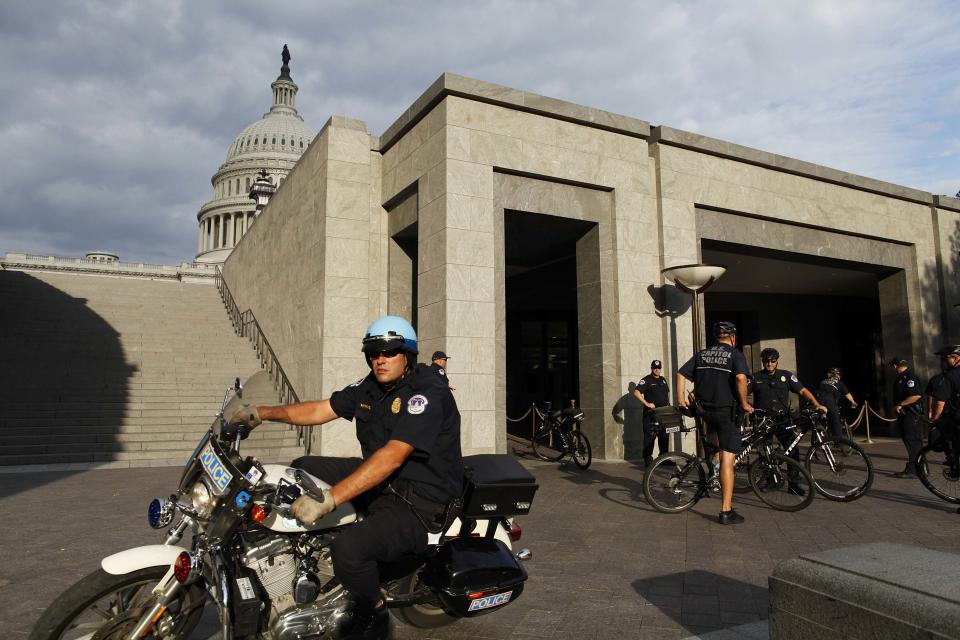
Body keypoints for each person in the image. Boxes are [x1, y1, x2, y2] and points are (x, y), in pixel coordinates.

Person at [226, 316, 462, 640]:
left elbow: (393, 455)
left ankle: (375, 614)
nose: (380, 359)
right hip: (384, 478)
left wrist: (330, 499)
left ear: (407, 354)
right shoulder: (370, 386)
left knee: (349, 551)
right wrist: (262, 413)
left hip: (420, 496)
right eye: (374, 352)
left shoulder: (427, 392)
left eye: (390, 351)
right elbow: (319, 410)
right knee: (302, 466)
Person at [677, 321, 753, 525]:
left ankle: (713, 473)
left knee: (714, 447)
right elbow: (740, 379)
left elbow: (681, 374)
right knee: (729, 459)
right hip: (726, 413)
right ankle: (726, 510)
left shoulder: (702, 354)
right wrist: (745, 403)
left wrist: (681, 401)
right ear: (733, 337)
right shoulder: (735, 355)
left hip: (705, 412)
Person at [750, 347, 827, 494]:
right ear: (763, 362)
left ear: (777, 361)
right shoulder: (755, 377)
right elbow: (741, 391)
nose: (769, 364)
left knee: (793, 449)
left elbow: (803, 390)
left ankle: (793, 484)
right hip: (763, 421)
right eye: (766, 361)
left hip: (782, 420)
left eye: (773, 361)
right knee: (765, 453)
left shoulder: (786, 376)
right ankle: (771, 481)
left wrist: (817, 404)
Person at [889, 357, 924, 478]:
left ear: (895, 366)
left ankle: (914, 469)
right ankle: (921, 468)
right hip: (906, 415)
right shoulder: (904, 377)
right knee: (913, 442)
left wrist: (900, 404)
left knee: (912, 441)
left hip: (911, 414)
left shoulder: (909, 377)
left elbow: (915, 396)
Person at [636, 359, 671, 466]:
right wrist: (647, 404)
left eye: (658, 368)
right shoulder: (646, 380)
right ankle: (648, 459)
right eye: (655, 368)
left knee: (664, 435)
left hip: (662, 414)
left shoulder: (663, 380)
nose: (657, 370)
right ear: (651, 368)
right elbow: (636, 392)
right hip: (650, 414)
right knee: (650, 436)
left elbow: (666, 394)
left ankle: (663, 458)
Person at [815, 367, 857, 438]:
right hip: (829, 401)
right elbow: (847, 394)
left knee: (821, 418)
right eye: (838, 374)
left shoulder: (822, 381)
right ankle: (838, 441)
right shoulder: (839, 383)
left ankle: (821, 426)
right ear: (836, 375)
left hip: (818, 401)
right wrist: (853, 402)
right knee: (836, 421)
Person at [612, 381, 645, 460]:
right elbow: (614, 412)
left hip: (638, 427)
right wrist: (622, 421)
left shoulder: (640, 399)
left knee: (637, 446)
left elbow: (614, 412)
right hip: (631, 427)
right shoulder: (626, 398)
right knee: (631, 447)